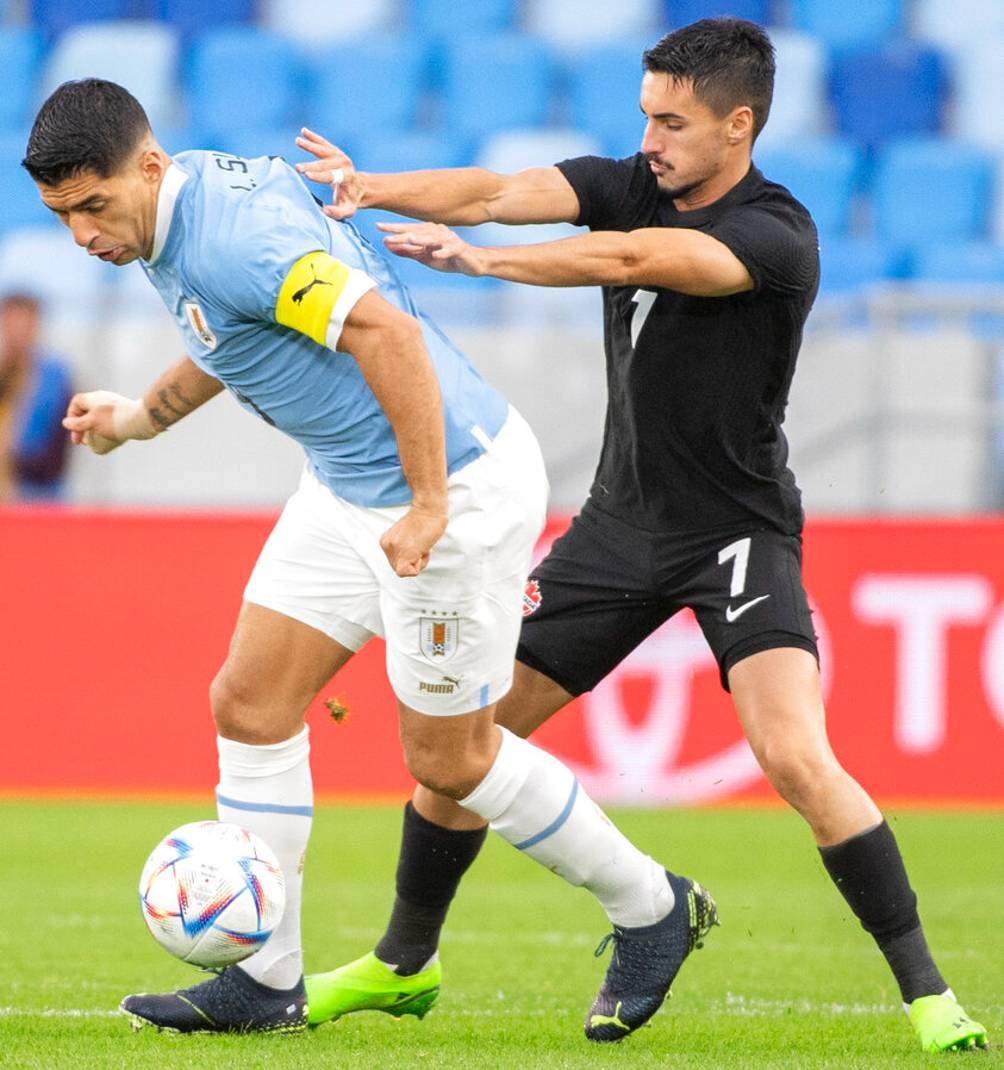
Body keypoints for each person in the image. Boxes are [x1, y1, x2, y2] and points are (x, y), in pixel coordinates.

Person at [294, 18, 988, 1054]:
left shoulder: (774, 233)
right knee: (458, 752)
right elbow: (494, 187)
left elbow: (627, 257)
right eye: (644, 117)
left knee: (794, 756)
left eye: (671, 121)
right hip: (616, 529)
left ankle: (929, 995)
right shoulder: (632, 180)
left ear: (737, 125)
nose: (649, 139)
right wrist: (374, 186)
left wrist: (481, 266)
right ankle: (404, 963)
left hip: (735, 535)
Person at [23, 78, 717, 1038]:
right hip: (349, 486)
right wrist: (142, 417)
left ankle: (653, 908)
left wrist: (430, 502)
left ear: (147, 165)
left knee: (451, 758)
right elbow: (229, 331)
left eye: (92, 207)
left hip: (453, 487)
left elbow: (387, 332)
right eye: (61, 217)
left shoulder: (230, 233)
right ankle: (266, 980)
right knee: (250, 700)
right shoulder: (172, 217)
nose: (83, 237)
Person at [0, 288, 74, 503]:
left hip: (40, 493)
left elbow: (57, 451)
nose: (18, 331)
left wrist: (13, 455)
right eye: (11, 323)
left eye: (24, 323)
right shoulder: (5, 371)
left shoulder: (55, 378)